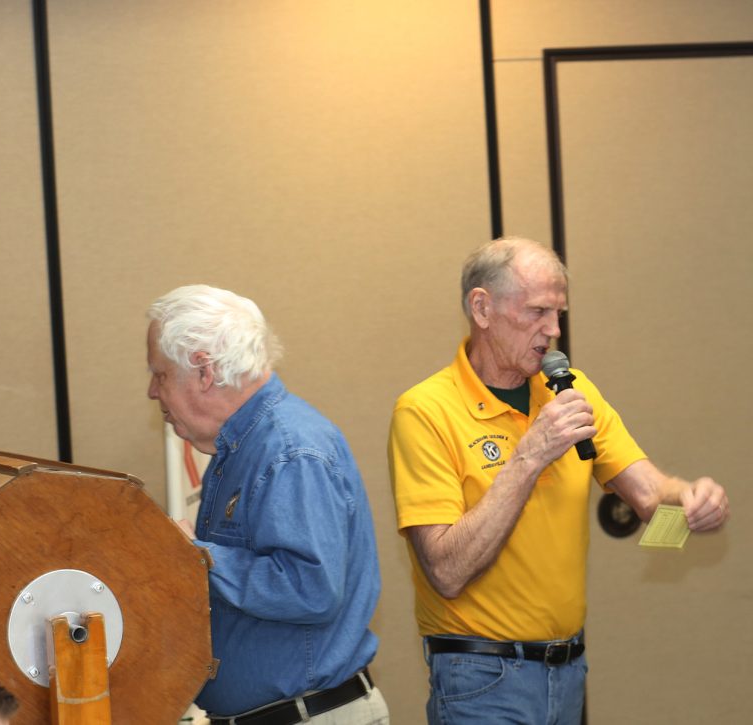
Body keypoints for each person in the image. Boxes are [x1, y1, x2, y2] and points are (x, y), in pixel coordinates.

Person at [387, 237, 729, 724]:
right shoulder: (425, 411)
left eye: (559, 313)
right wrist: (530, 456)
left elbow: (650, 495)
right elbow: (446, 571)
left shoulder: (571, 391)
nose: (554, 330)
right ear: (482, 309)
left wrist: (691, 499)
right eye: (538, 312)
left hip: (568, 670)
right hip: (481, 676)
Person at [146, 285, 389, 725]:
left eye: (160, 375)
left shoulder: (290, 452)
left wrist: (194, 555)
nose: (151, 391)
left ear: (204, 371)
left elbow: (310, 589)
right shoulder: (242, 447)